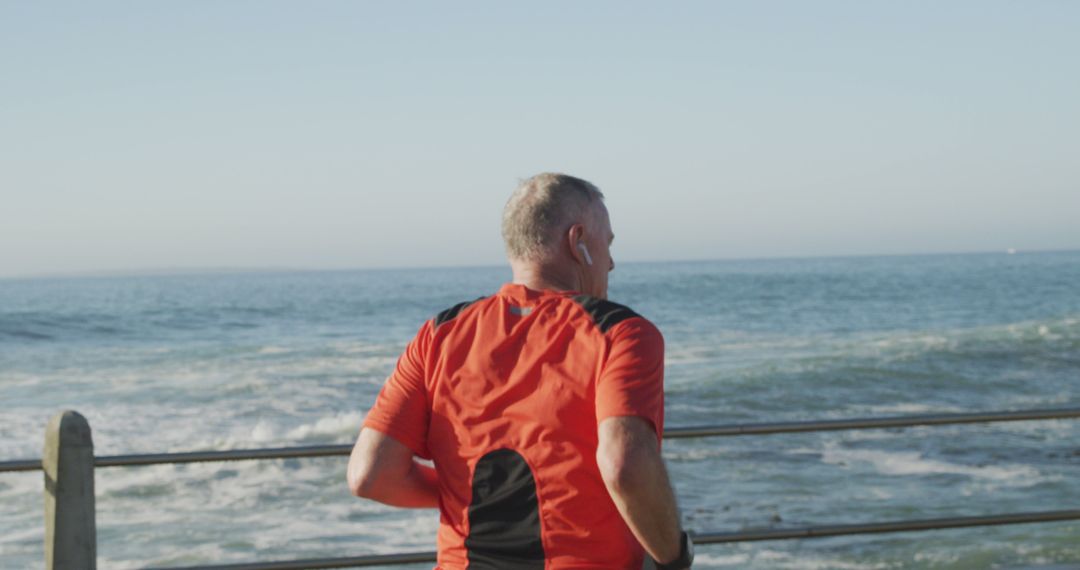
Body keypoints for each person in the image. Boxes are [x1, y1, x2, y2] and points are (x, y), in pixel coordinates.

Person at [347, 173, 692, 569]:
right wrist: (675, 557)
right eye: (607, 244)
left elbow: (369, 474)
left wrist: (476, 492)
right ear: (577, 241)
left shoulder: (439, 333)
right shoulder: (620, 332)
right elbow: (624, 464)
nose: (611, 262)